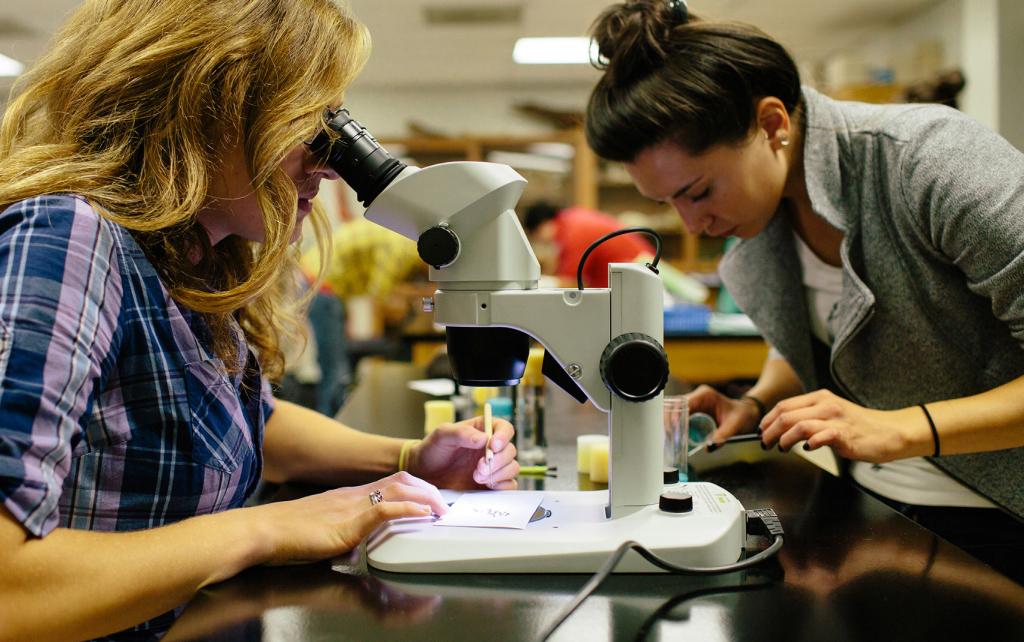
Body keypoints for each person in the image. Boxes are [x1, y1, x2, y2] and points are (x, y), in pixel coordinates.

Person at [0, 1, 518, 639]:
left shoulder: (193, 255)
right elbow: (7, 588)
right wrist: (270, 528)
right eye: (307, 122)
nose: (329, 164)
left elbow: (246, 418)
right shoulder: (67, 238)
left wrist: (410, 459)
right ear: (203, 106)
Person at [585, 0, 1024, 578]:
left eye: (697, 192)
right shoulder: (764, 221)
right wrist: (759, 400)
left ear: (772, 125)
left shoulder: (931, 162)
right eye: (667, 203)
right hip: (877, 516)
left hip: (999, 523)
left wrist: (900, 428)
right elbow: (831, 328)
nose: (692, 225)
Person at [523, 201, 655, 288]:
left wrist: (543, 282)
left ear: (542, 226)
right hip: (640, 270)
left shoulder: (572, 231)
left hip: (640, 276)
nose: (542, 242)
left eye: (537, 237)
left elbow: (572, 281)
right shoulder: (570, 219)